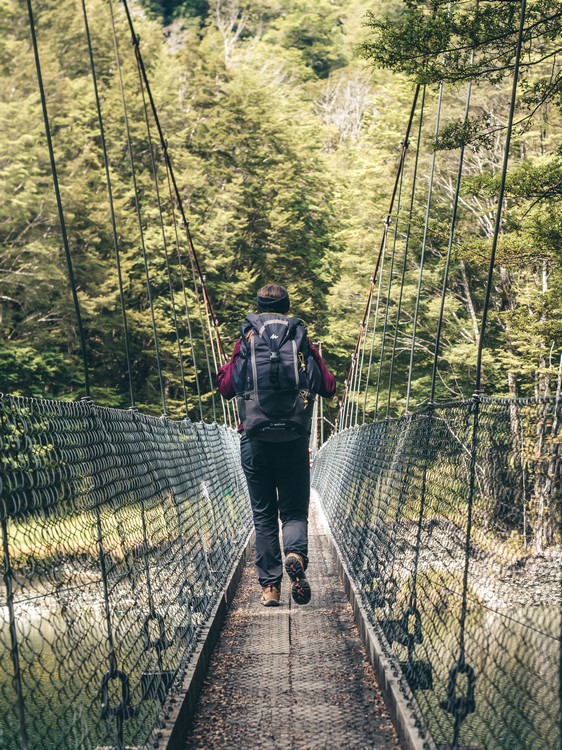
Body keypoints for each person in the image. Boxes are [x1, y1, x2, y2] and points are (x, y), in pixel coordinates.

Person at [216, 284, 336, 607]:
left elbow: (227, 387)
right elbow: (327, 385)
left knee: (264, 514)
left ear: (258, 305)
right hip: (294, 440)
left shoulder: (248, 339)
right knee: (295, 510)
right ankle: (295, 552)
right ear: (286, 306)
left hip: (255, 441)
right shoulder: (299, 339)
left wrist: (227, 367)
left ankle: (270, 587)